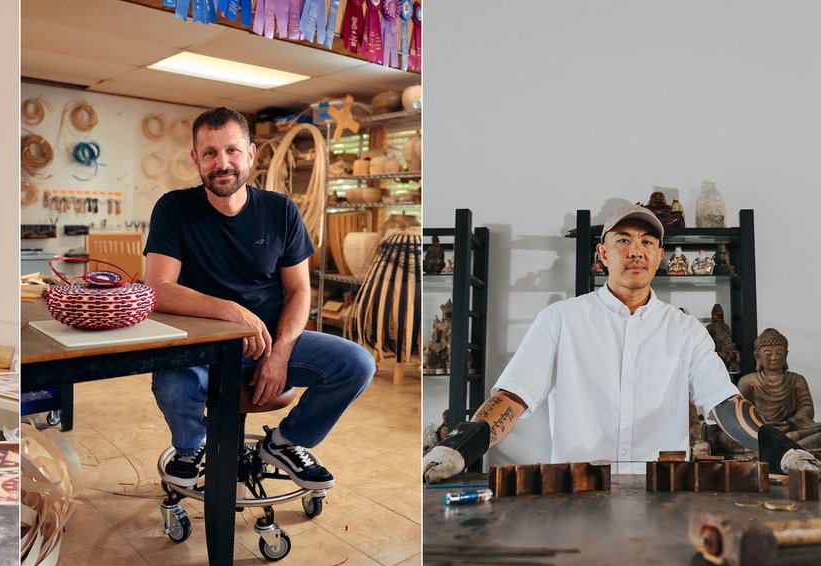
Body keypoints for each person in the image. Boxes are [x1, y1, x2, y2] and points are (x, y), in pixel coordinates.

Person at [423, 204, 820, 482]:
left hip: (661, 494)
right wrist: (460, 445)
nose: (635, 251)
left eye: (647, 242)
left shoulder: (686, 331)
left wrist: (782, 450)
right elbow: (512, 397)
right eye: (623, 240)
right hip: (576, 492)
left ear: (660, 256)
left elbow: (724, 404)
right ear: (602, 254)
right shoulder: (560, 320)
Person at [143, 107, 376, 491]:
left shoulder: (281, 210)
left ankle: (285, 442)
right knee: (171, 382)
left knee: (356, 364)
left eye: (232, 150)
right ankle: (192, 445)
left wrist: (280, 352)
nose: (222, 163)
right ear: (195, 159)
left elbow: (300, 290)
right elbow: (158, 289)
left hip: (269, 340)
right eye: (210, 153)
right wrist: (232, 312)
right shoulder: (174, 208)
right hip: (202, 346)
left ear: (250, 154)